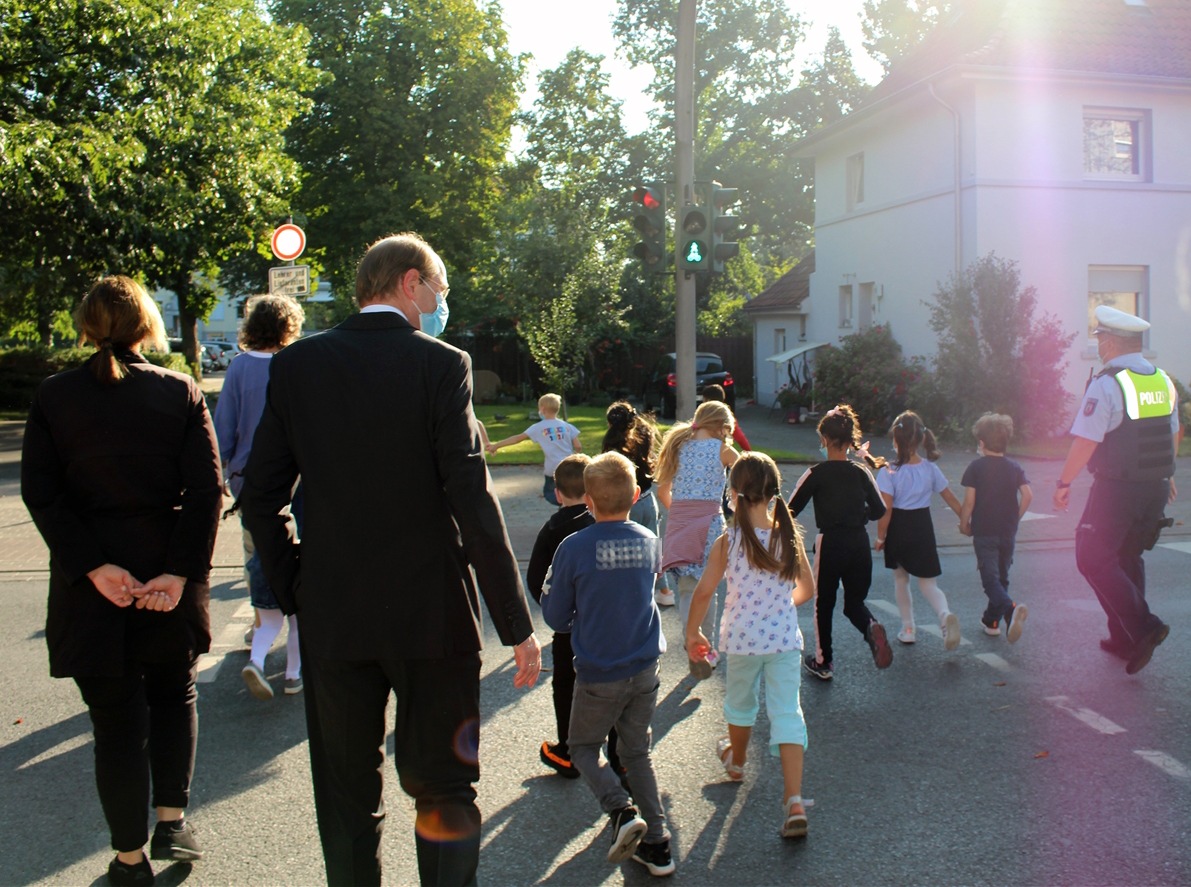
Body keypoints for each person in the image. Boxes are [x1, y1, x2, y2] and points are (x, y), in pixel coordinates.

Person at [240, 232, 541, 887]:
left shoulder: (297, 366)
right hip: (431, 614)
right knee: (445, 789)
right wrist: (515, 623)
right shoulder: (440, 364)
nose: (441, 301)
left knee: (346, 797)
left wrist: (293, 582)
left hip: (333, 614)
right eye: (439, 287)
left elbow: (259, 494)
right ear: (409, 282)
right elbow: (471, 498)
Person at [21, 275, 223, 887]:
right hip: (164, 570)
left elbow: (43, 493)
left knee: (113, 724)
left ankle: (129, 860)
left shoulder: (56, 397)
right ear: (146, 327)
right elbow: (207, 491)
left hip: (92, 585)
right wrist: (177, 572)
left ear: (87, 326)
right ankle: (172, 820)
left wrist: (93, 567)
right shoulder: (178, 391)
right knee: (173, 695)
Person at [540, 452, 673, 877]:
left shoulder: (573, 547)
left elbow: (557, 617)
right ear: (636, 495)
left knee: (582, 747)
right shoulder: (651, 542)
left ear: (589, 503)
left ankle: (620, 811)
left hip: (600, 671)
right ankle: (659, 844)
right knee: (636, 752)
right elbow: (649, 591)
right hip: (647, 666)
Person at [686, 453, 815, 839]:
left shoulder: (728, 542)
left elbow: (705, 592)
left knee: (740, 705)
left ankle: (737, 760)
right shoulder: (788, 537)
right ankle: (793, 800)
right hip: (782, 641)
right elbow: (807, 590)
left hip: (741, 639)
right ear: (776, 492)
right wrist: (779, 608)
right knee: (787, 713)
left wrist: (693, 633)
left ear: (733, 493)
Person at [1053, 305, 1177, 674]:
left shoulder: (1109, 383)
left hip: (1118, 488)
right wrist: (1167, 476)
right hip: (1153, 486)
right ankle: (1123, 637)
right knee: (1126, 556)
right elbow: (1171, 432)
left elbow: (1086, 441)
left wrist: (1063, 483)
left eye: (1100, 340)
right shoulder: (1162, 380)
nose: (1099, 346)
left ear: (1109, 342)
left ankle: (1143, 627)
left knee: (1091, 556)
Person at [213, 294, 306, 699]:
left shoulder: (238, 368)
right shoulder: (299, 364)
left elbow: (224, 427)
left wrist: (222, 473)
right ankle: (295, 670)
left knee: (259, 559)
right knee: (301, 563)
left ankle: (261, 633)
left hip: (249, 483)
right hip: (298, 480)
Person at [788, 404, 892, 680]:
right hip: (859, 542)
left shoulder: (815, 474)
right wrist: (859, 515)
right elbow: (881, 510)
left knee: (824, 603)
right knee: (854, 603)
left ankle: (824, 661)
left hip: (830, 542)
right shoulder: (861, 472)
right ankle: (870, 626)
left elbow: (789, 510)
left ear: (823, 440)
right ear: (850, 442)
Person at [656, 400, 740, 678]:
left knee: (686, 588)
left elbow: (662, 492)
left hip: (679, 522)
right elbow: (745, 474)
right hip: (709, 523)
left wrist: (680, 513)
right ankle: (707, 646)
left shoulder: (678, 447)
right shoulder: (723, 450)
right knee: (709, 586)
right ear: (722, 427)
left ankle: (691, 638)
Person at [527, 454, 595, 779]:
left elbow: (535, 577)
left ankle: (567, 751)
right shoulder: (600, 522)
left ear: (557, 493)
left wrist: (552, 609)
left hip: (568, 625)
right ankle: (617, 749)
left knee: (566, 683)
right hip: (603, 623)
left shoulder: (553, 529)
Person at [875, 411, 964, 650]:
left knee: (901, 579)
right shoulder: (930, 469)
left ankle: (908, 628)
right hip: (922, 527)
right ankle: (944, 615)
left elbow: (887, 509)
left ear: (896, 440)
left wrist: (880, 536)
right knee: (928, 583)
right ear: (922, 439)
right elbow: (951, 498)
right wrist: (966, 520)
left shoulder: (888, 471)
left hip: (899, 529)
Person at [959, 413, 1032, 643]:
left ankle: (1010, 610)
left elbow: (969, 501)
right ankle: (991, 621)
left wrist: (964, 524)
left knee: (990, 579)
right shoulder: (1014, 467)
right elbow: (1028, 495)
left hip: (985, 531)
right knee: (1001, 576)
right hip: (1007, 531)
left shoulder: (975, 467)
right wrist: (1016, 517)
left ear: (981, 443)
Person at [602, 401, 670, 604]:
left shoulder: (611, 445)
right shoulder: (643, 436)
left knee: (620, 546)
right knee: (652, 546)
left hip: (623, 502)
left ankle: (624, 590)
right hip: (647, 499)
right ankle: (664, 590)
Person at [486, 393, 582, 505]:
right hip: (568, 465)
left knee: (549, 492)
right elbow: (578, 446)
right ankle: (570, 505)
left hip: (552, 468)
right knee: (568, 491)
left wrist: (496, 446)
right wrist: (576, 455)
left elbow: (517, 439)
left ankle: (563, 505)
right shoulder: (567, 426)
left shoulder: (538, 427)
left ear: (542, 409)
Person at [701, 383, 751, 451]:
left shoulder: (703, 416)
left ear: (708, 401)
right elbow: (740, 438)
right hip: (722, 453)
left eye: (704, 401)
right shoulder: (727, 417)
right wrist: (749, 453)